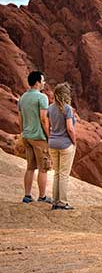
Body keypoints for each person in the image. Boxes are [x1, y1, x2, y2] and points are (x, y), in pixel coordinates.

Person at [18, 71, 52, 204]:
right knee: (43, 168)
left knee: (30, 167)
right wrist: (48, 137)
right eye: (43, 81)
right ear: (37, 82)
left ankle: (27, 196)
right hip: (38, 137)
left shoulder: (22, 97)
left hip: (26, 136)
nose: (44, 83)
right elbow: (43, 119)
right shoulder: (42, 98)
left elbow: (20, 118)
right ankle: (42, 197)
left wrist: (23, 133)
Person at [48, 82, 77, 210]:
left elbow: (50, 125)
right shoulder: (67, 109)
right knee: (64, 174)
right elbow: (70, 128)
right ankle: (62, 202)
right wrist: (74, 141)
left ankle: (54, 201)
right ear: (66, 95)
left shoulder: (50, 108)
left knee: (57, 173)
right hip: (65, 144)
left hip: (53, 143)